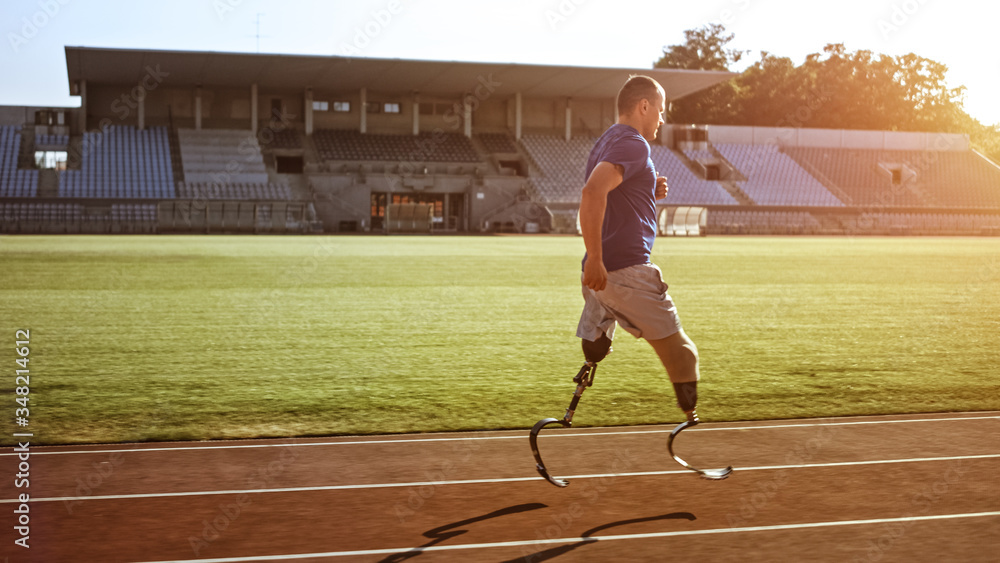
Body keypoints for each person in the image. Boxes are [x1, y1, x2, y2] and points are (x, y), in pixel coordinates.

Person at [576, 74, 701, 421]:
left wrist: (648, 187)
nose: (662, 119)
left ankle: (594, 341)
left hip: (602, 272)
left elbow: (613, 191)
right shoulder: (635, 144)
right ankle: (693, 426)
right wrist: (597, 259)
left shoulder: (606, 141)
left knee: (599, 339)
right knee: (685, 355)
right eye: (660, 110)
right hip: (623, 270)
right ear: (644, 106)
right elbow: (592, 194)